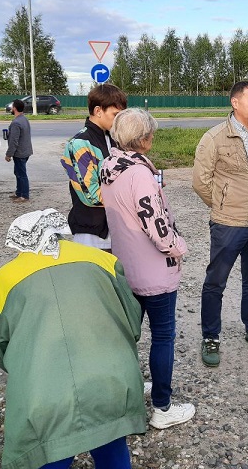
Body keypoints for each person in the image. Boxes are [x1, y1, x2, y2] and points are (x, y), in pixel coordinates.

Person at [0, 209, 147, 469]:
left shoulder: (4, 279)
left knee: (51, 451)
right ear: (59, 231)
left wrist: (25, 367)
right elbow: (132, 319)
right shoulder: (103, 260)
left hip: (44, 393)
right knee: (111, 442)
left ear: (18, 242)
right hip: (111, 380)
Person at [100, 108, 196, 429]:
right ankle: (162, 407)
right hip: (154, 270)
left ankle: (126, 392)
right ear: (143, 139)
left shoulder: (109, 165)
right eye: (151, 134)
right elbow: (156, 226)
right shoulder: (139, 174)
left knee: (129, 335)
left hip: (126, 266)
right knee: (164, 336)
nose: (153, 138)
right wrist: (178, 247)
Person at [192, 80, 248, 367]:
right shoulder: (214, 138)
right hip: (228, 223)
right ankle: (210, 336)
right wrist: (223, 204)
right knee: (216, 281)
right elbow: (200, 182)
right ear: (235, 102)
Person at [60, 83, 127, 251]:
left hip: (117, 230)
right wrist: (131, 198)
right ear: (98, 111)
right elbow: (90, 195)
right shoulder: (79, 144)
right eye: (115, 114)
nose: (119, 120)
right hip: (93, 234)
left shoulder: (115, 139)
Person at [5, 98, 33, 203]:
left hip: (20, 152)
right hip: (26, 151)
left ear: (15, 108)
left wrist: (9, 154)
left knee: (21, 174)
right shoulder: (24, 119)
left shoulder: (16, 123)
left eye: (12, 107)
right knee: (18, 172)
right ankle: (19, 192)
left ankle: (24, 195)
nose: (11, 109)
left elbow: (14, 141)